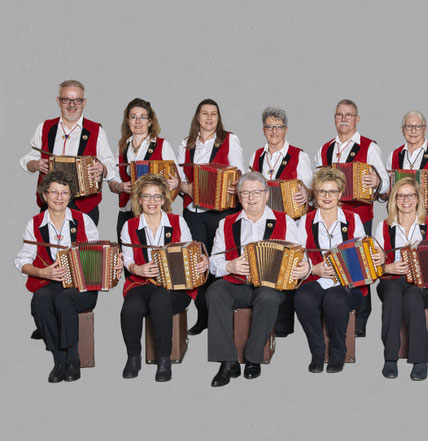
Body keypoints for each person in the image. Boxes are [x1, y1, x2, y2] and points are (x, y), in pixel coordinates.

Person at [15, 171, 121, 383]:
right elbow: (22, 261)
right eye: (54, 192)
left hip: (82, 286)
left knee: (64, 300)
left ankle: (73, 360)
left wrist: (113, 265)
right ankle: (58, 360)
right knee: (40, 300)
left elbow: (98, 253)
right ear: (44, 195)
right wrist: (42, 272)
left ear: (70, 196)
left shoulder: (84, 220)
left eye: (64, 193)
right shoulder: (34, 224)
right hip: (50, 282)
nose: (59, 197)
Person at [206, 172, 309, 387]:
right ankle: (227, 362)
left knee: (268, 297)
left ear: (266, 195)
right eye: (245, 193)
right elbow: (214, 261)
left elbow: (303, 257)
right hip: (237, 283)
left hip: (270, 285)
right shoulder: (226, 223)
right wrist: (230, 266)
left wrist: (305, 268)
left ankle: (254, 357)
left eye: (256, 193)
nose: (251, 198)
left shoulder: (284, 220)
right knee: (214, 292)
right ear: (239, 197)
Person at [120, 174, 208, 382]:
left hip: (175, 284)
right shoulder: (129, 225)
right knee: (130, 308)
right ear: (139, 199)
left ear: (164, 199)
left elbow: (191, 250)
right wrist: (137, 269)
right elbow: (128, 259)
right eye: (146, 196)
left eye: (157, 196)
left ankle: (164, 359)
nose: (152, 201)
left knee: (159, 300)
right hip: (142, 281)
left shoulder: (178, 222)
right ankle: (133, 357)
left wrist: (202, 259)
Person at [314, 99, 389, 337]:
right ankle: (331, 311)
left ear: (357, 119)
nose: (344, 119)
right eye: (339, 115)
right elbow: (315, 182)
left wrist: (377, 181)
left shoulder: (369, 146)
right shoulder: (325, 149)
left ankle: (360, 318)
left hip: (358, 215)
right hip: (329, 215)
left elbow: (385, 184)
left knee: (360, 265)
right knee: (330, 261)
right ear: (334, 119)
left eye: (348, 115)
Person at [295, 167, 381, 373]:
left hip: (347, 284)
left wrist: (375, 252)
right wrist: (314, 269)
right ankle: (317, 352)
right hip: (316, 279)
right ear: (315, 193)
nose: (327, 196)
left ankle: (338, 352)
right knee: (302, 298)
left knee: (334, 300)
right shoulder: (305, 220)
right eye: (322, 191)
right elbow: (298, 255)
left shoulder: (353, 218)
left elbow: (362, 250)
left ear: (340, 194)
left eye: (332, 191)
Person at [176, 99, 246, 337]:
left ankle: (221, 315)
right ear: (198, 117)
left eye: (213, 114)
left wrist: (234, 185)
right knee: (197, 265)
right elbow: (178, 179)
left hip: (221, 213)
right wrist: (187, 189)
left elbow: (239, 172)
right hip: (194, 212)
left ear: (218, 117)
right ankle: (203, 314)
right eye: (204, 113)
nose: (208, 118)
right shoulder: (186, 143)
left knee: (219, 262)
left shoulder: (229, 139)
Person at [374, 177, 428, 380]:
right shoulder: (383, 226)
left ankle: (420, 360)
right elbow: (373, 265)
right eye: (400, 196)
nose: (406, 200)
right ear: (394, 200)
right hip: (392, 279)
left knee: (414, 297)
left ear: (417, 198)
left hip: (423, 282)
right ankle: (390, 358)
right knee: (392, 295)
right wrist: (389, 267)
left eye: (410, 195)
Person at [249, 106, 313, 337]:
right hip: (261, 221)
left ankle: (284, 325)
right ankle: (264, 321)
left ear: (286, 129)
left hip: (289, 222)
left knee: (287, 269)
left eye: (278, 127)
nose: (274, 131)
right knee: (264, 267)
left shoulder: (299, 155)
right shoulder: (257, 155)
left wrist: (306, 193)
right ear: (263, 130)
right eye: (269, 126)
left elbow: (308, 188)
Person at [385, 109, 428, 332]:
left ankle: (426, 321)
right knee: (400, 264)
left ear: (425, 129)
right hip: (400, 214)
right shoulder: (394, 154)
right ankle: (400, 319)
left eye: (417, 126)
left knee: (427, 269)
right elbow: (387, 189)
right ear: (403, 130)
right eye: (408, 126)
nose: (413, 131)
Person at [19, 80, 117, 225]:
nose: (72, 105)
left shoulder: (96, 131)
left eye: (77, 100)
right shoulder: (45, 127)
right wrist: (36, 164)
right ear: (59, 101)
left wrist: (102, 168)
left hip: (84, 206)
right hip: (50, 203)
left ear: (84, 102)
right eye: (66, 100)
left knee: (83, 241)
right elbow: (28, 159)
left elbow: (111, 164)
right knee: (48, 240)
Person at [109, 98, 180, 242]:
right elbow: (113, 179)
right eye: (133, 117)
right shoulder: (122, 146)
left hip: (154, 212)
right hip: (127, 211)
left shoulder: (162, 145)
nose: (138, 121)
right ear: (127, 121)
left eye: (143, 117)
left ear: (150, 121)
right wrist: (120, 187)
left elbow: (177, 179)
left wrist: (174, 183)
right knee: (126, 253)